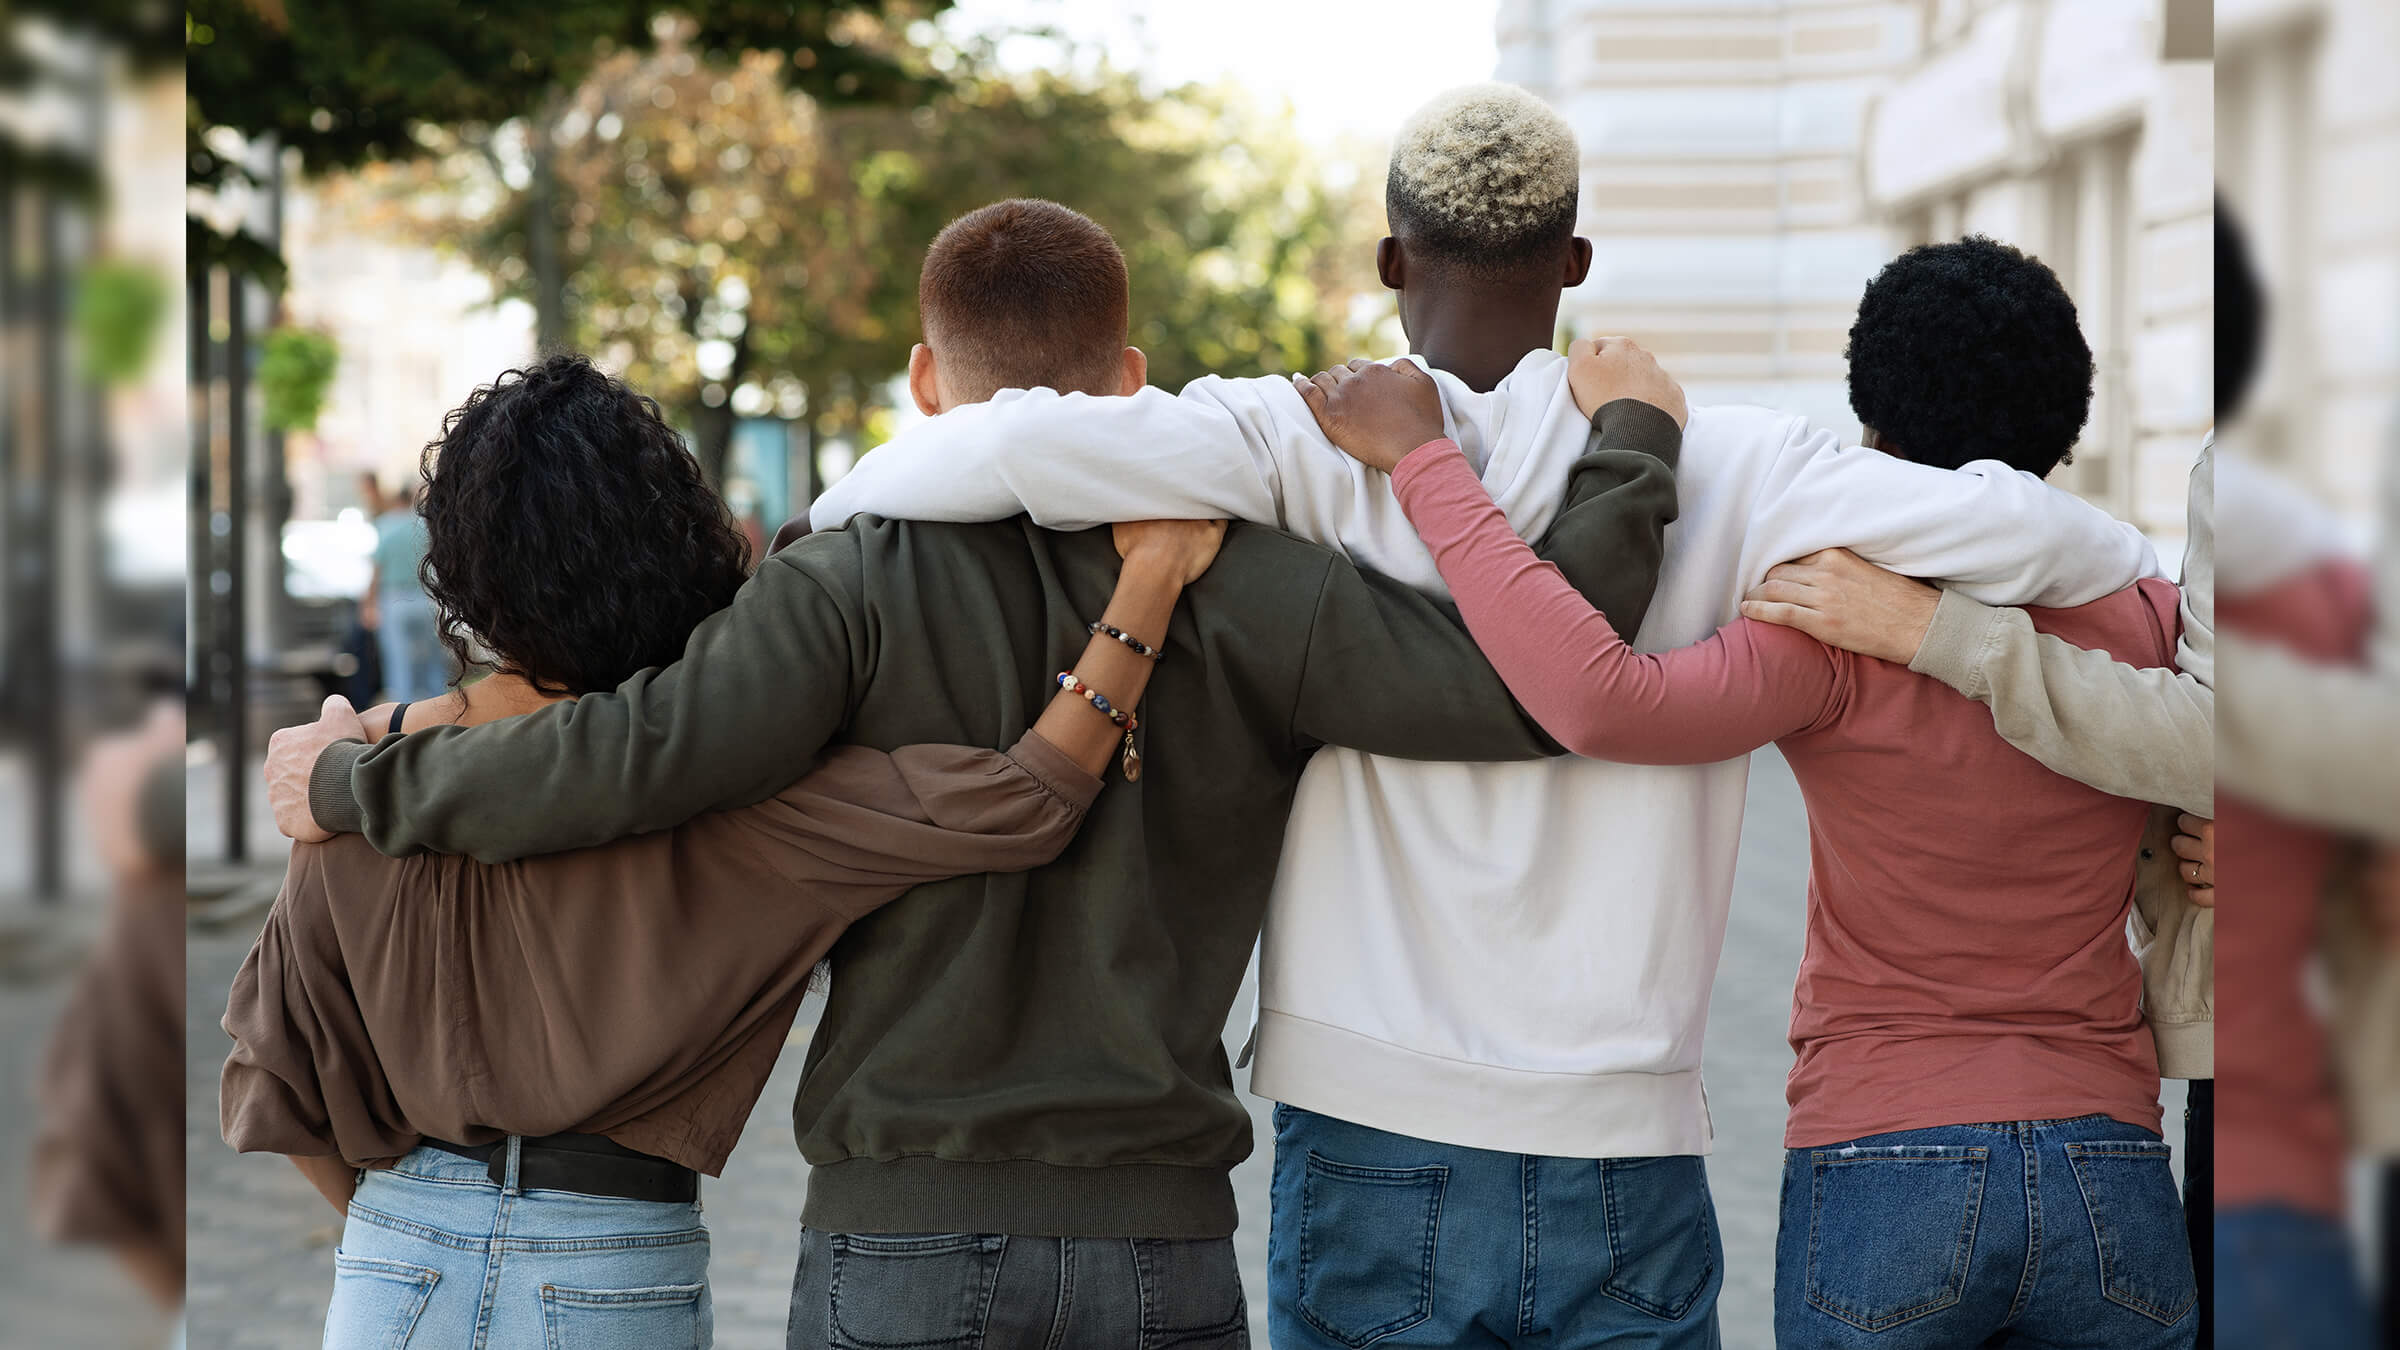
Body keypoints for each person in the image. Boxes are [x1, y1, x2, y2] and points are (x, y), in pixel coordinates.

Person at [797, 87, 2161, 1346]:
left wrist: (838, 515)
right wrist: (2159, 592)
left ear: (1394, 261)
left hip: (1370, 1115)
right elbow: (2022, 523)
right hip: (1625, 1130)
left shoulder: (1294, 437)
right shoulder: (1737, 460)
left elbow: (1022, 441)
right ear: (1575, 262)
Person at [258, 199, 1684, 1349]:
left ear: (928, 382)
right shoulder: (1238, 571)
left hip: (897, 1236)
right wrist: (1631, 446)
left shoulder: (842, 581)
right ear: (1129, 377)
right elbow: (1536, 686)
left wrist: (356, 783)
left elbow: (623, 761)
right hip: (1158, 1239)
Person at [1299, 237, 2194, 1348]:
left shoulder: (1842, 610)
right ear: (2071, 423)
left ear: (1874, 422)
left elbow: (1598, 700)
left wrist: (1430, 467)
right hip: (2112, 1158)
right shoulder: (2154, 618)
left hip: (1886, 1153)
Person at [366, 478, 447, 702]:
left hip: (394, 599)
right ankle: (440, 707)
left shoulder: (385, 525)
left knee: (399, 661)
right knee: (432, 659)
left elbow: (376, 570)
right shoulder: (425, 526)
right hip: (425, 596)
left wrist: (369, 605)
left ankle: (404, 713)